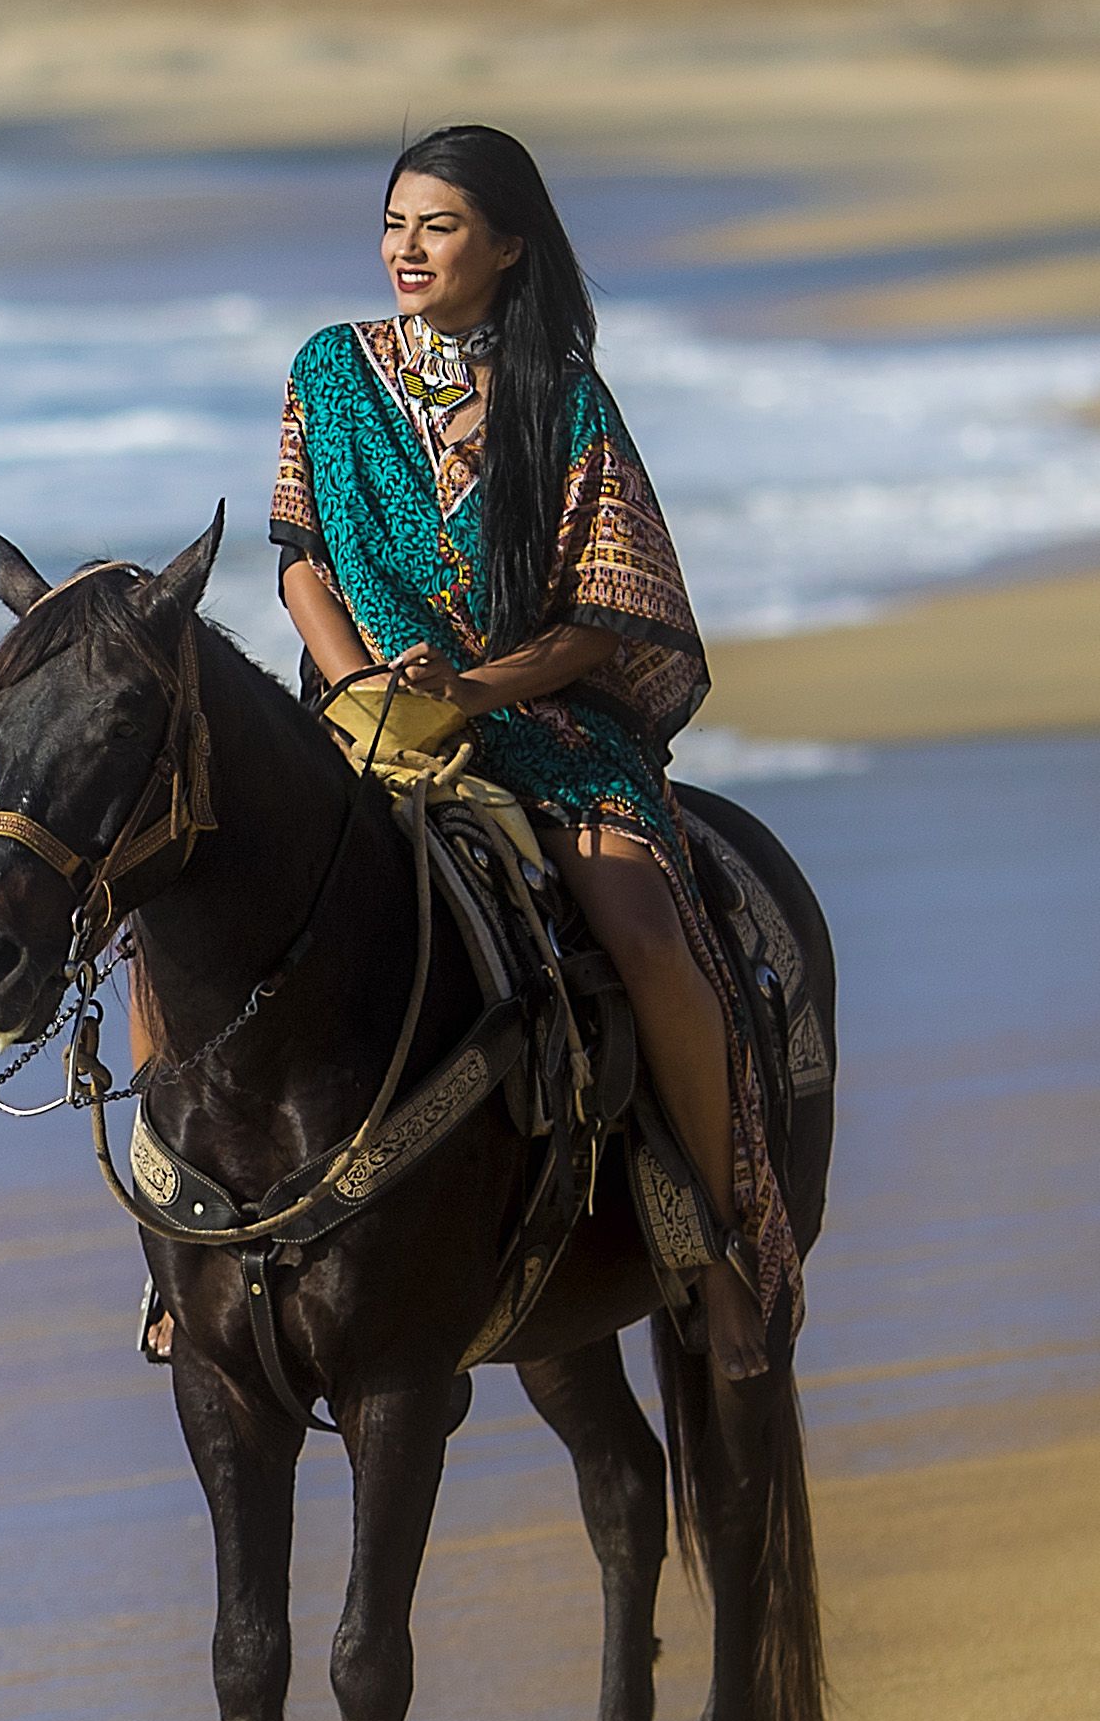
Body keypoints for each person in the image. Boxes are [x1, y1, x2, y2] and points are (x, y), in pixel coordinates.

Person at [265, 125, 799, 1374]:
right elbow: (300, 562)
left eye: (437, 226)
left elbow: (604, 617)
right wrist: (361, 693)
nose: (405, 247)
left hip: (533, 720)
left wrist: (468, 687)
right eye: (395, 222)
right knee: (183, 882)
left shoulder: (564, 399)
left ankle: (720, 1247)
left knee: (654, 941)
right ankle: (180, 1249)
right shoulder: (330, 371)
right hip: (355, 710)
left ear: (507, 247)